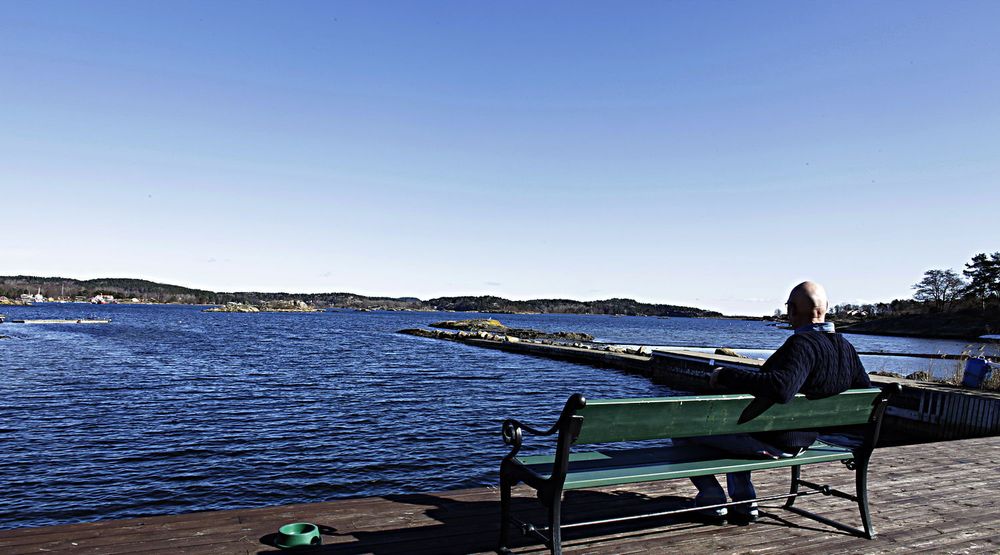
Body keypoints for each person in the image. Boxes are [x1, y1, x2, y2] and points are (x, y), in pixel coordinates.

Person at [686, 281, 871, 524]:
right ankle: (744, 501)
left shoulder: (802, 344)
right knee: (740, 431)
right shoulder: (846, 347)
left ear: (792, 310)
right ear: (826, 308)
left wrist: (724, 375)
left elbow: (782, 388)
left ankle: (712, 498)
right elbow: (866, 391)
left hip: (777, 442)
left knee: (688, 433)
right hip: (807, 439)